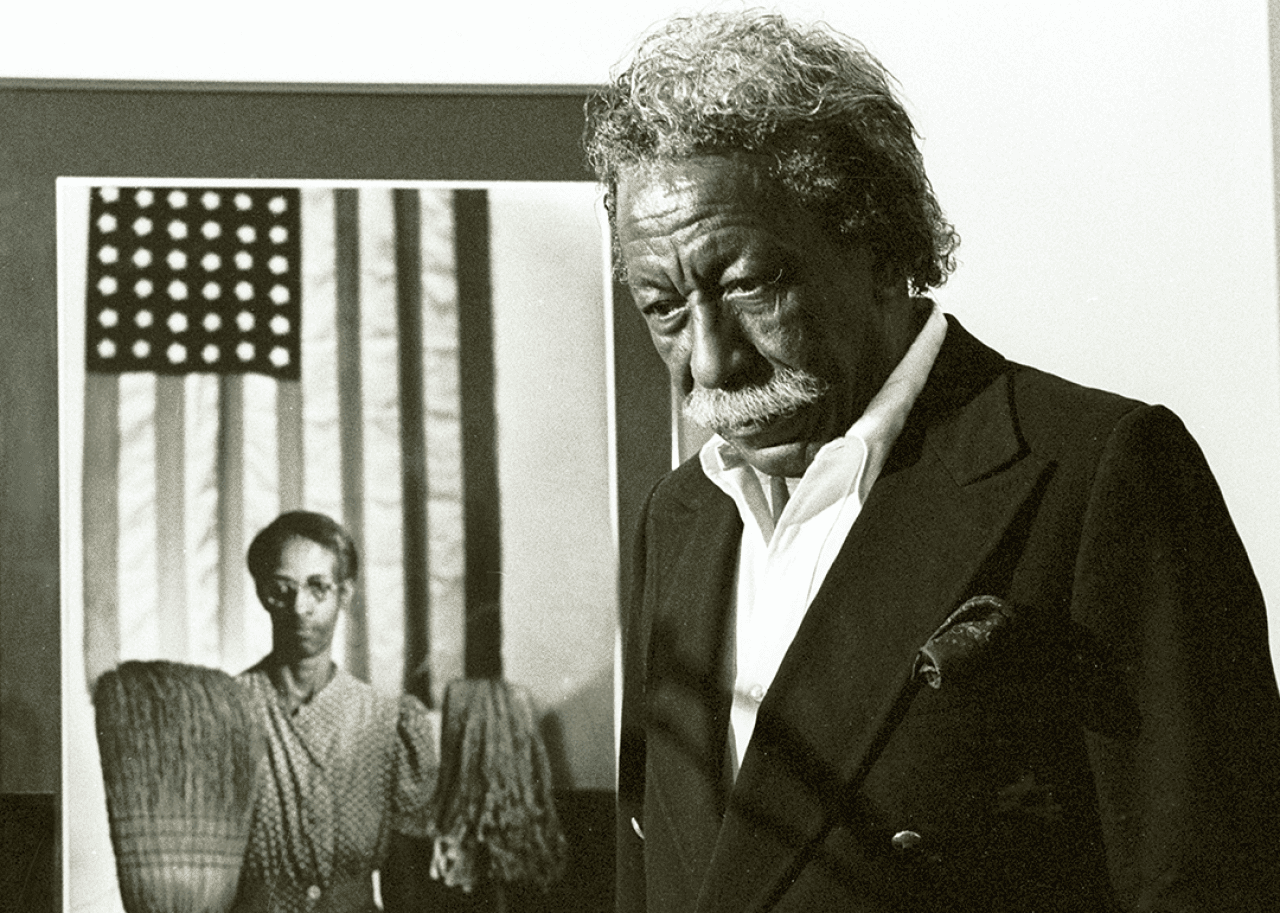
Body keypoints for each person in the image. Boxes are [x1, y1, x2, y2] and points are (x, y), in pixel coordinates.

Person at [585, 11, 1280, 912]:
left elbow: (1208, 878)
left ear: (879, 242)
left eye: (749, 284)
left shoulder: (1102, 472)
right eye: (664, 305)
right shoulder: (676, 519)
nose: (710, 362)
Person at [231, 510, 436, 913]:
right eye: (282, 588)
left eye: (318, 588)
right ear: (262, 593)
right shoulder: (225, 709)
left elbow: (405, 881)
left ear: (345, 594)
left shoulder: (386, 721)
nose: (299, 607)